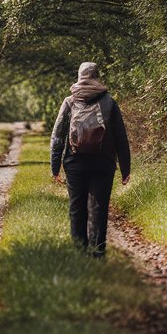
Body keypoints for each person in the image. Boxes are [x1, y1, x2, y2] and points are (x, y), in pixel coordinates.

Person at [50, 62, 131, 257]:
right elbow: (121, 137)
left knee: (76, 208)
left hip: (74, 162)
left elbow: (58, 135)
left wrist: (55, 165)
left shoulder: (69, 102)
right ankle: (97, 253)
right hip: (103, 163)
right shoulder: (109, 102)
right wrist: (126, 168)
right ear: (97, 76)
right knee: (99, 208)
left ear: (79, 76)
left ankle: (79, 252)